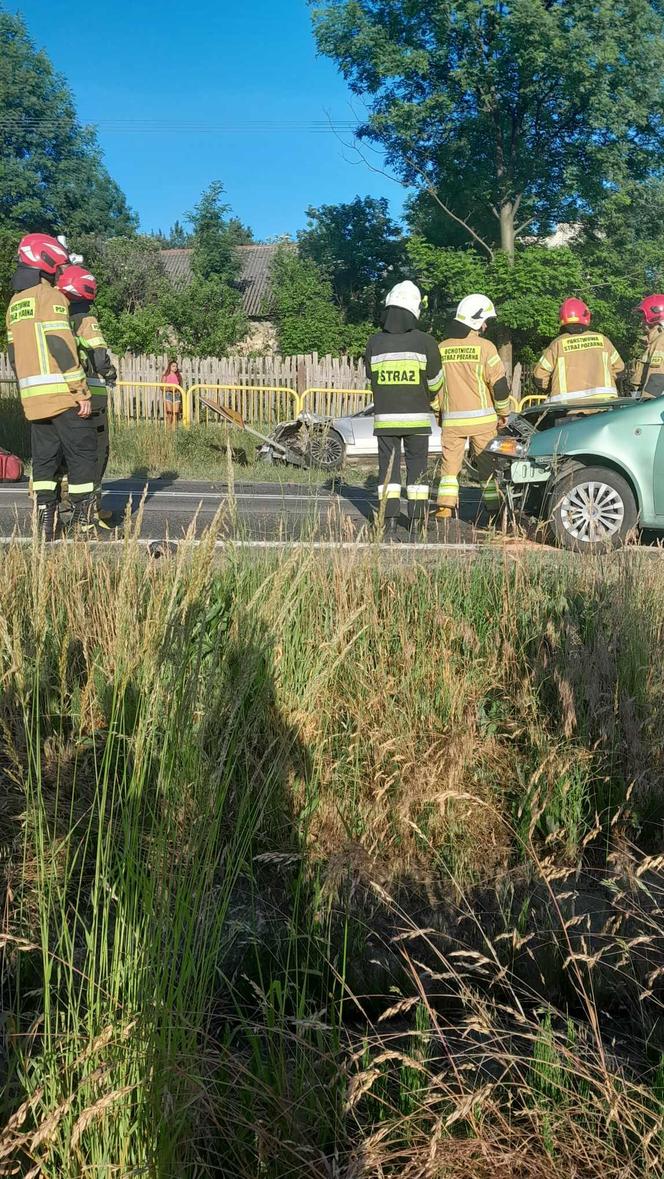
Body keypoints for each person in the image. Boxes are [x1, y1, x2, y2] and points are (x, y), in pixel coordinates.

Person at [5, 233, 98, 540]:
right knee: (83, 454)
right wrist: (80, 391)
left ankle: (47, 524)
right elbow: (60, 345)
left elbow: (14, 356)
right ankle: (84, 523)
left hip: (34, 400)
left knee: (44, 461)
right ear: (46, 263)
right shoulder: (51, 297)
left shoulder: (14, 304)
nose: (59, 272)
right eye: (57, 266)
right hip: (62, 394)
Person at [365, 281, 444, 533]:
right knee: (417, 469)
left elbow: (371, 376)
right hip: (417, 419)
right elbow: (436, 381)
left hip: (385, 419)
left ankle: (387, 522)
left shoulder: (374, 342)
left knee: (388, 470)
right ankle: (418, 522)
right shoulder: (426, 342)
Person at [435, 294, 510, 521]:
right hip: (483, 421)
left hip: (452, 421)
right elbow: (499, 385)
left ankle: (445, 508)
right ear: (477, 321)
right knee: (487, 467)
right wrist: (503, 413)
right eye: (485, 320)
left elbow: (434, 386)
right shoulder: (486, 348)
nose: (486, 325)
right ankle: (494, 509)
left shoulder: (441, 348)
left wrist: (439, 412)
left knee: (449, 468)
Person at [56, 264, 117, 524]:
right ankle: (91, 511)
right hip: (90, 398)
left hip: (63, 396)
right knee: (95, 454)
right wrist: (111, 375)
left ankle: (61, 509)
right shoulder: (86, 320)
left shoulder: (57, 319)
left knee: (64, 456)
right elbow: (99, 356)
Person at [533, 299, 624, 405]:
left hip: (566, 409)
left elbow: (539, 376)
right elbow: (619, 369)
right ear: (587, 316)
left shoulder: (557, 344)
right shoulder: (603, 340)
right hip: (604, 406)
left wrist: (551, 387)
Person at [632, 296, 664, 398]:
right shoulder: (654, 341)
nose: (641, 322)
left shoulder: (660, 341)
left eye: (643, 317)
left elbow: (657, 379)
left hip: (654, 408)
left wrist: (644, 406)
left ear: (653, 317)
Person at [163, 360, 183, 425]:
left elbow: (180, 386)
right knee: (169, 413)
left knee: (175, 414)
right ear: (169, 367)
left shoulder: (178, 376)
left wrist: (178, 390)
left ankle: (174, 430)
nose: (175, 367)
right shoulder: (165, 376)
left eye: (176, 366)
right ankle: (168, 431)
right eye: (173, 366)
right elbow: (161, 387)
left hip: (176, 395)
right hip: (168, 394)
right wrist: (169, 388)